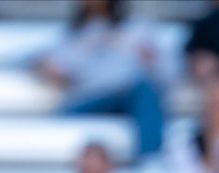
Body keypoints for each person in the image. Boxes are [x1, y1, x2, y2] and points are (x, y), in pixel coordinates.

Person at [31, 0, 170, 161]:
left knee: (146, 92)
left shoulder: (137, 29)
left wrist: (152, 61)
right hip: (90, 99)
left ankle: (150, 162)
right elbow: (51, 65)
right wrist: (47, 67)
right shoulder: (72, 35)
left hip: (130, 95)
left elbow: (167, 74)